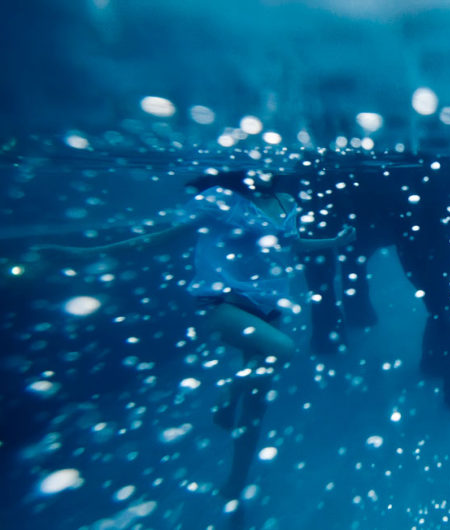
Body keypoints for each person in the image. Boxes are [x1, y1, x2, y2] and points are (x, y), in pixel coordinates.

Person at [33, 169, 355, 517]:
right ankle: (227, 397)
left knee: (255, 409)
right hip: (225, 303)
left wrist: (334, 242)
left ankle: (235, 483)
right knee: (283, 349)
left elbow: (292, 244)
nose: (267, 171)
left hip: (270, 306)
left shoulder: (285, 201)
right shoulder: (220, 202)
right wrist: (84, 254)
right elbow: (160, 238)